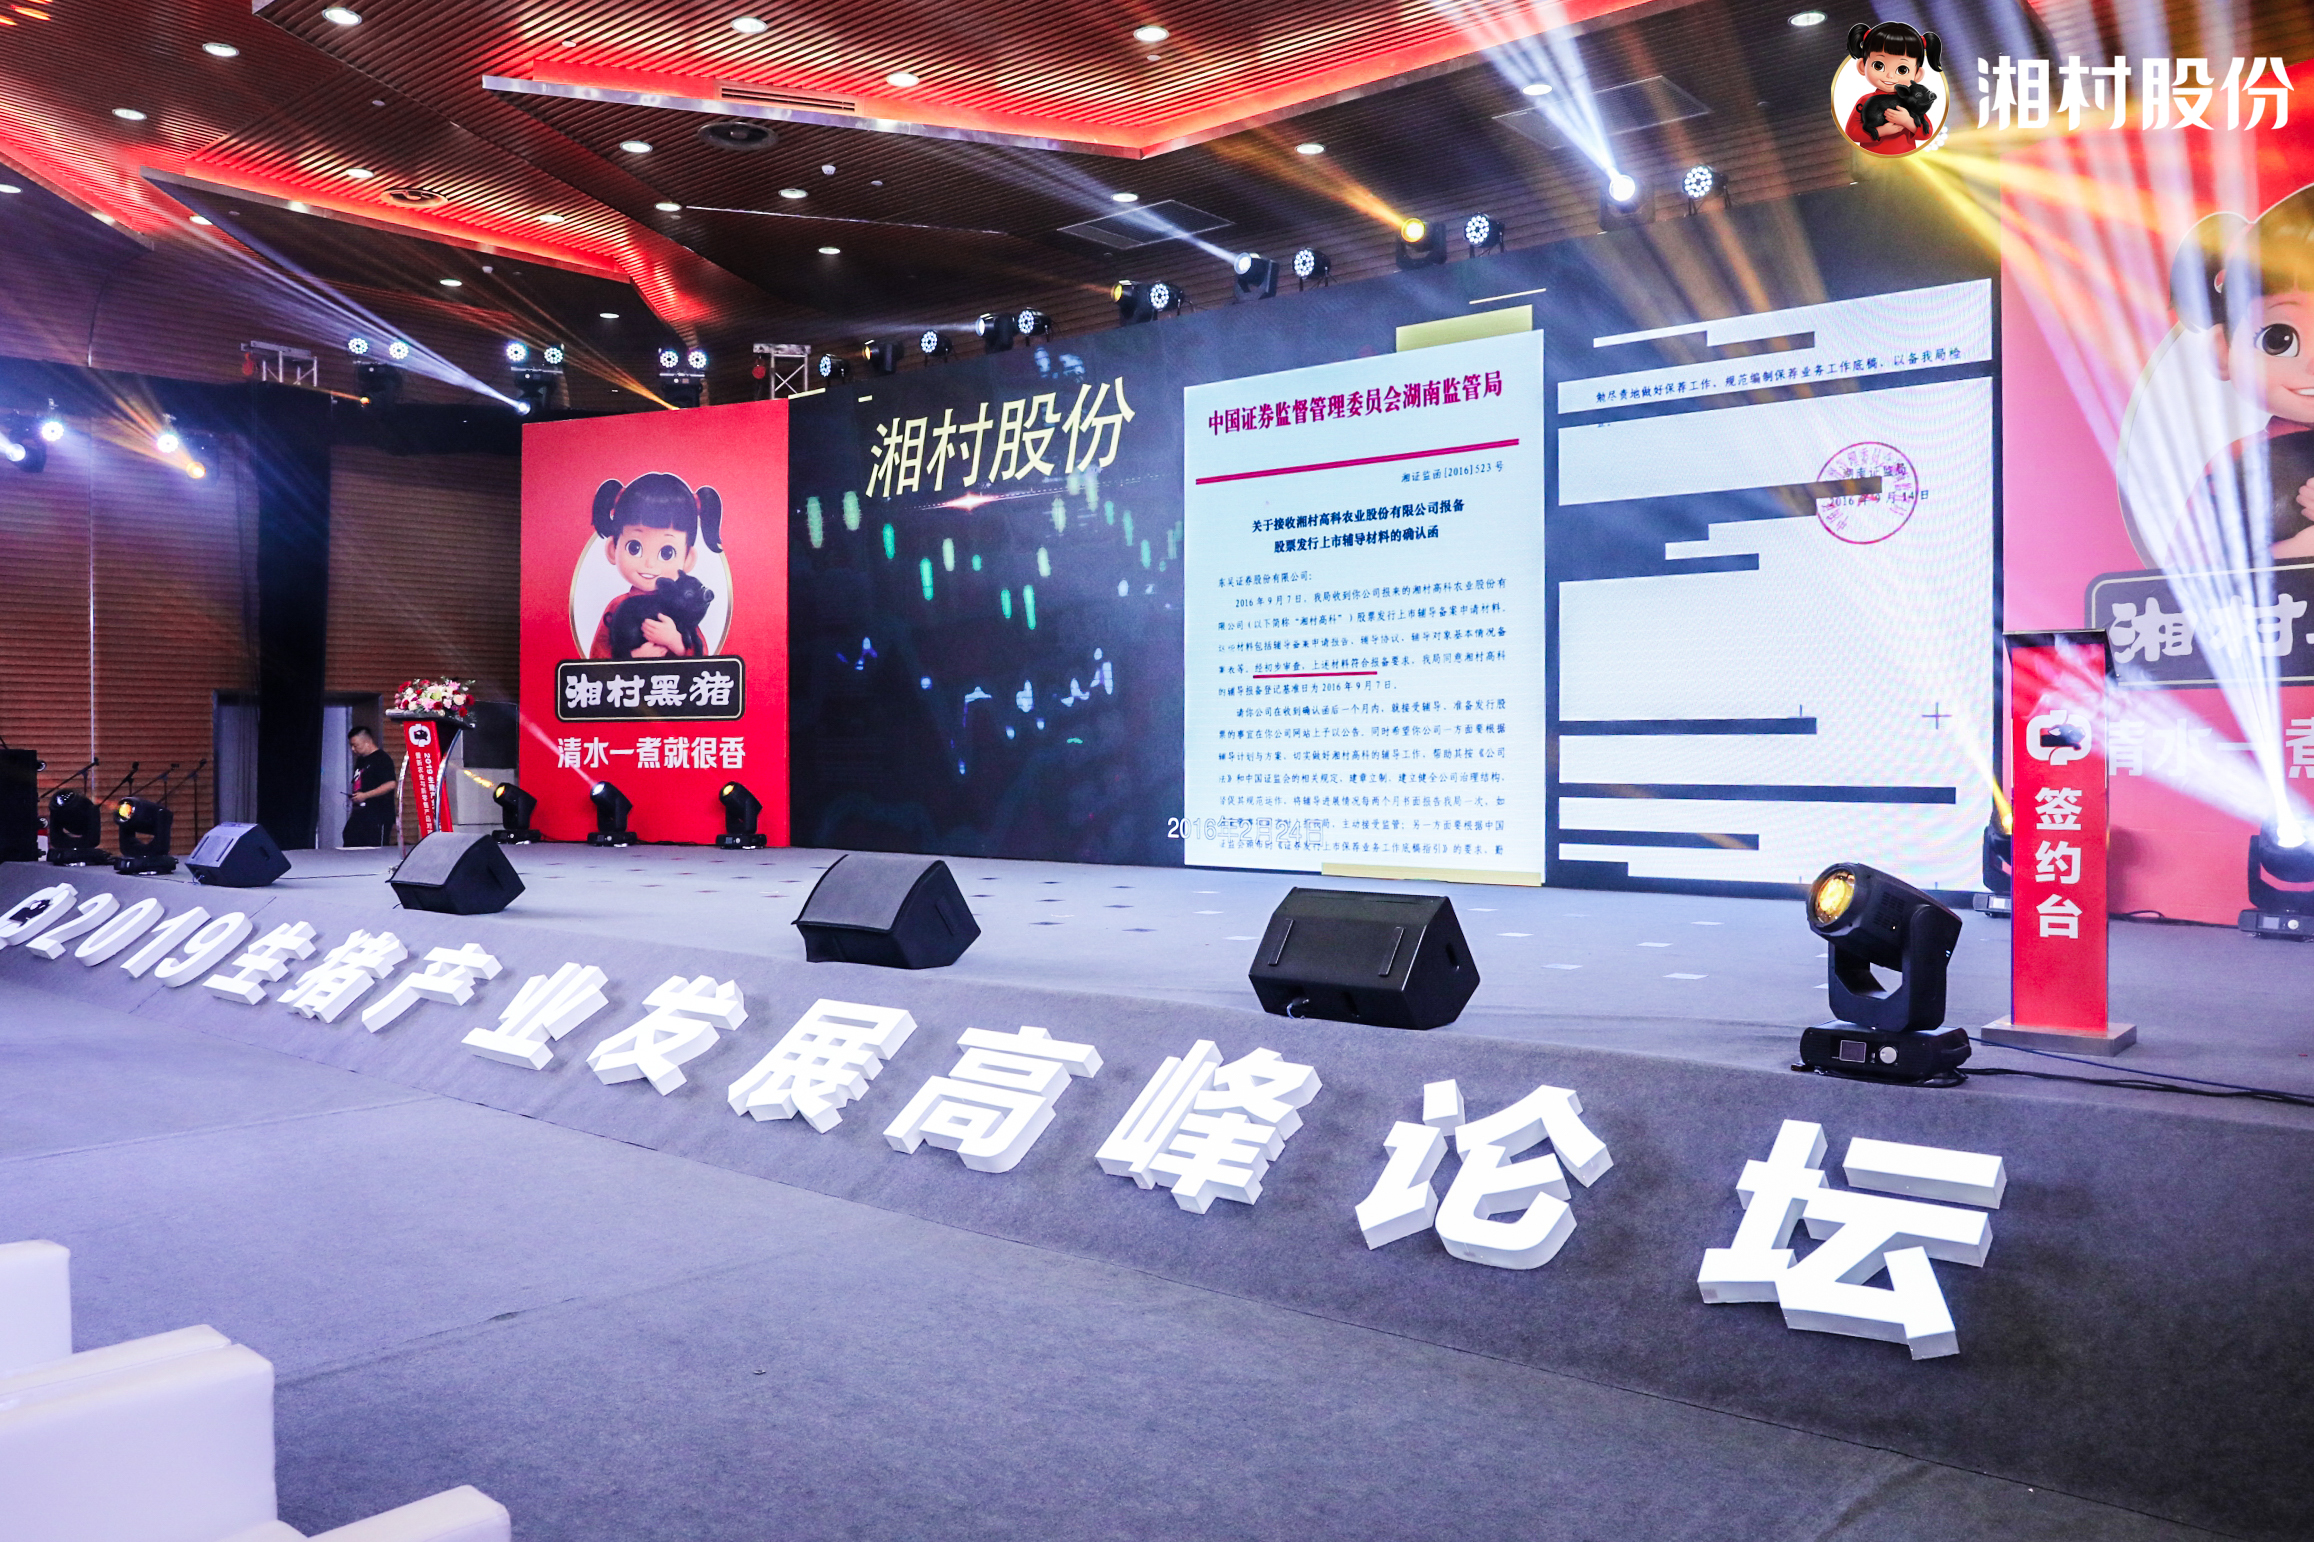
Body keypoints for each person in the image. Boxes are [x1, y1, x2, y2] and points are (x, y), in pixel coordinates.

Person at [587, 473, 724, 659]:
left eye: (667, 553)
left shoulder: (681, 606)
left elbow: (703, 658)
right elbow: (597, 657)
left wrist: (675, 642)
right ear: (613, 549)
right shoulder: (618, 606)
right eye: (634, 548)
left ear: (688, 559)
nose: (650, 563)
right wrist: (633, 657)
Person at [1841, 22, 1942, 156]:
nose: (1890, 75)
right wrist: (1881, 131)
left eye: (1902, 69)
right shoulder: (1866, 100)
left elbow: (1926, 133)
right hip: (1871, 160)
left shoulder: (1912, 101)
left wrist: (1907, 121)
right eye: (1878, 66)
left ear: (1917, 74)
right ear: (1862, 66)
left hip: (1906, 161)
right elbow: (1851, 132)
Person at [344, 727, 398, 847]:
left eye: (356, 745)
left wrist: (365, 795)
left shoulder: (382, 759)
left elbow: (390, 784)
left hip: (378, 815)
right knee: (350, 839)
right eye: (351, 746)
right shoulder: (361, 760)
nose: (353, 749)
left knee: (374, 848)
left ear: (367, 742)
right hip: (360, 814)